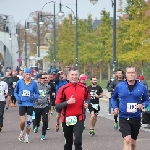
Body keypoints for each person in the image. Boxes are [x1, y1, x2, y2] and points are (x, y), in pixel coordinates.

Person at [111, 66, 149, 150]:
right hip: (123, 116)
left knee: (133, 143)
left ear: (136, 75)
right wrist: (115, 108)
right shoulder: (120, 86)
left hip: (136, 117)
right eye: (129, 73)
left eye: (132, 73)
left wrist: (142, 105)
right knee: (127, 140)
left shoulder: (142, 87)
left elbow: (147, 100)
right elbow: (113, 98)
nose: (131, 75)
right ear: (126, 75)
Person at [55, 68, 90, 150]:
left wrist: (87, 103)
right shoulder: (63, 89)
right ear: (68, 77)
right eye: (72, 75)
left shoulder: (83, 87)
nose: (74, 77)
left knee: (78, 140)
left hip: (79, 118)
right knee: (68, 142)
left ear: (78, 76)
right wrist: (67, 102)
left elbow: (87, 98)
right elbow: (57, 105)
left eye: (76, 75)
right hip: (67, 118)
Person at [14, 68, 39, 143]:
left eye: (29, 74)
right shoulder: (19, 82)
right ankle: (22, 131)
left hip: (30, 104)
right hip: (22, 103)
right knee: (22, 121)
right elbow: (15, 92)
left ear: (31, 75)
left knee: (28, 122)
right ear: (24, 74)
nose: (28, 76)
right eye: (27, 74)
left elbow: (37, 93)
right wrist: (18, 98)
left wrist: (34, 98)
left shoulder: (34, 83)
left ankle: (27, 136)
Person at [33, 74, 50, 140]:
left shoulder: (48, 86)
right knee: (37, 120)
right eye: (43, 78)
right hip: (37, 106)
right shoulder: (36, 85)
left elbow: (49, 94)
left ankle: (43, 134)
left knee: (45, 120)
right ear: (39, 79)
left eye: (45, 78)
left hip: (45, 106)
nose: (44, 79)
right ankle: (36, 126)